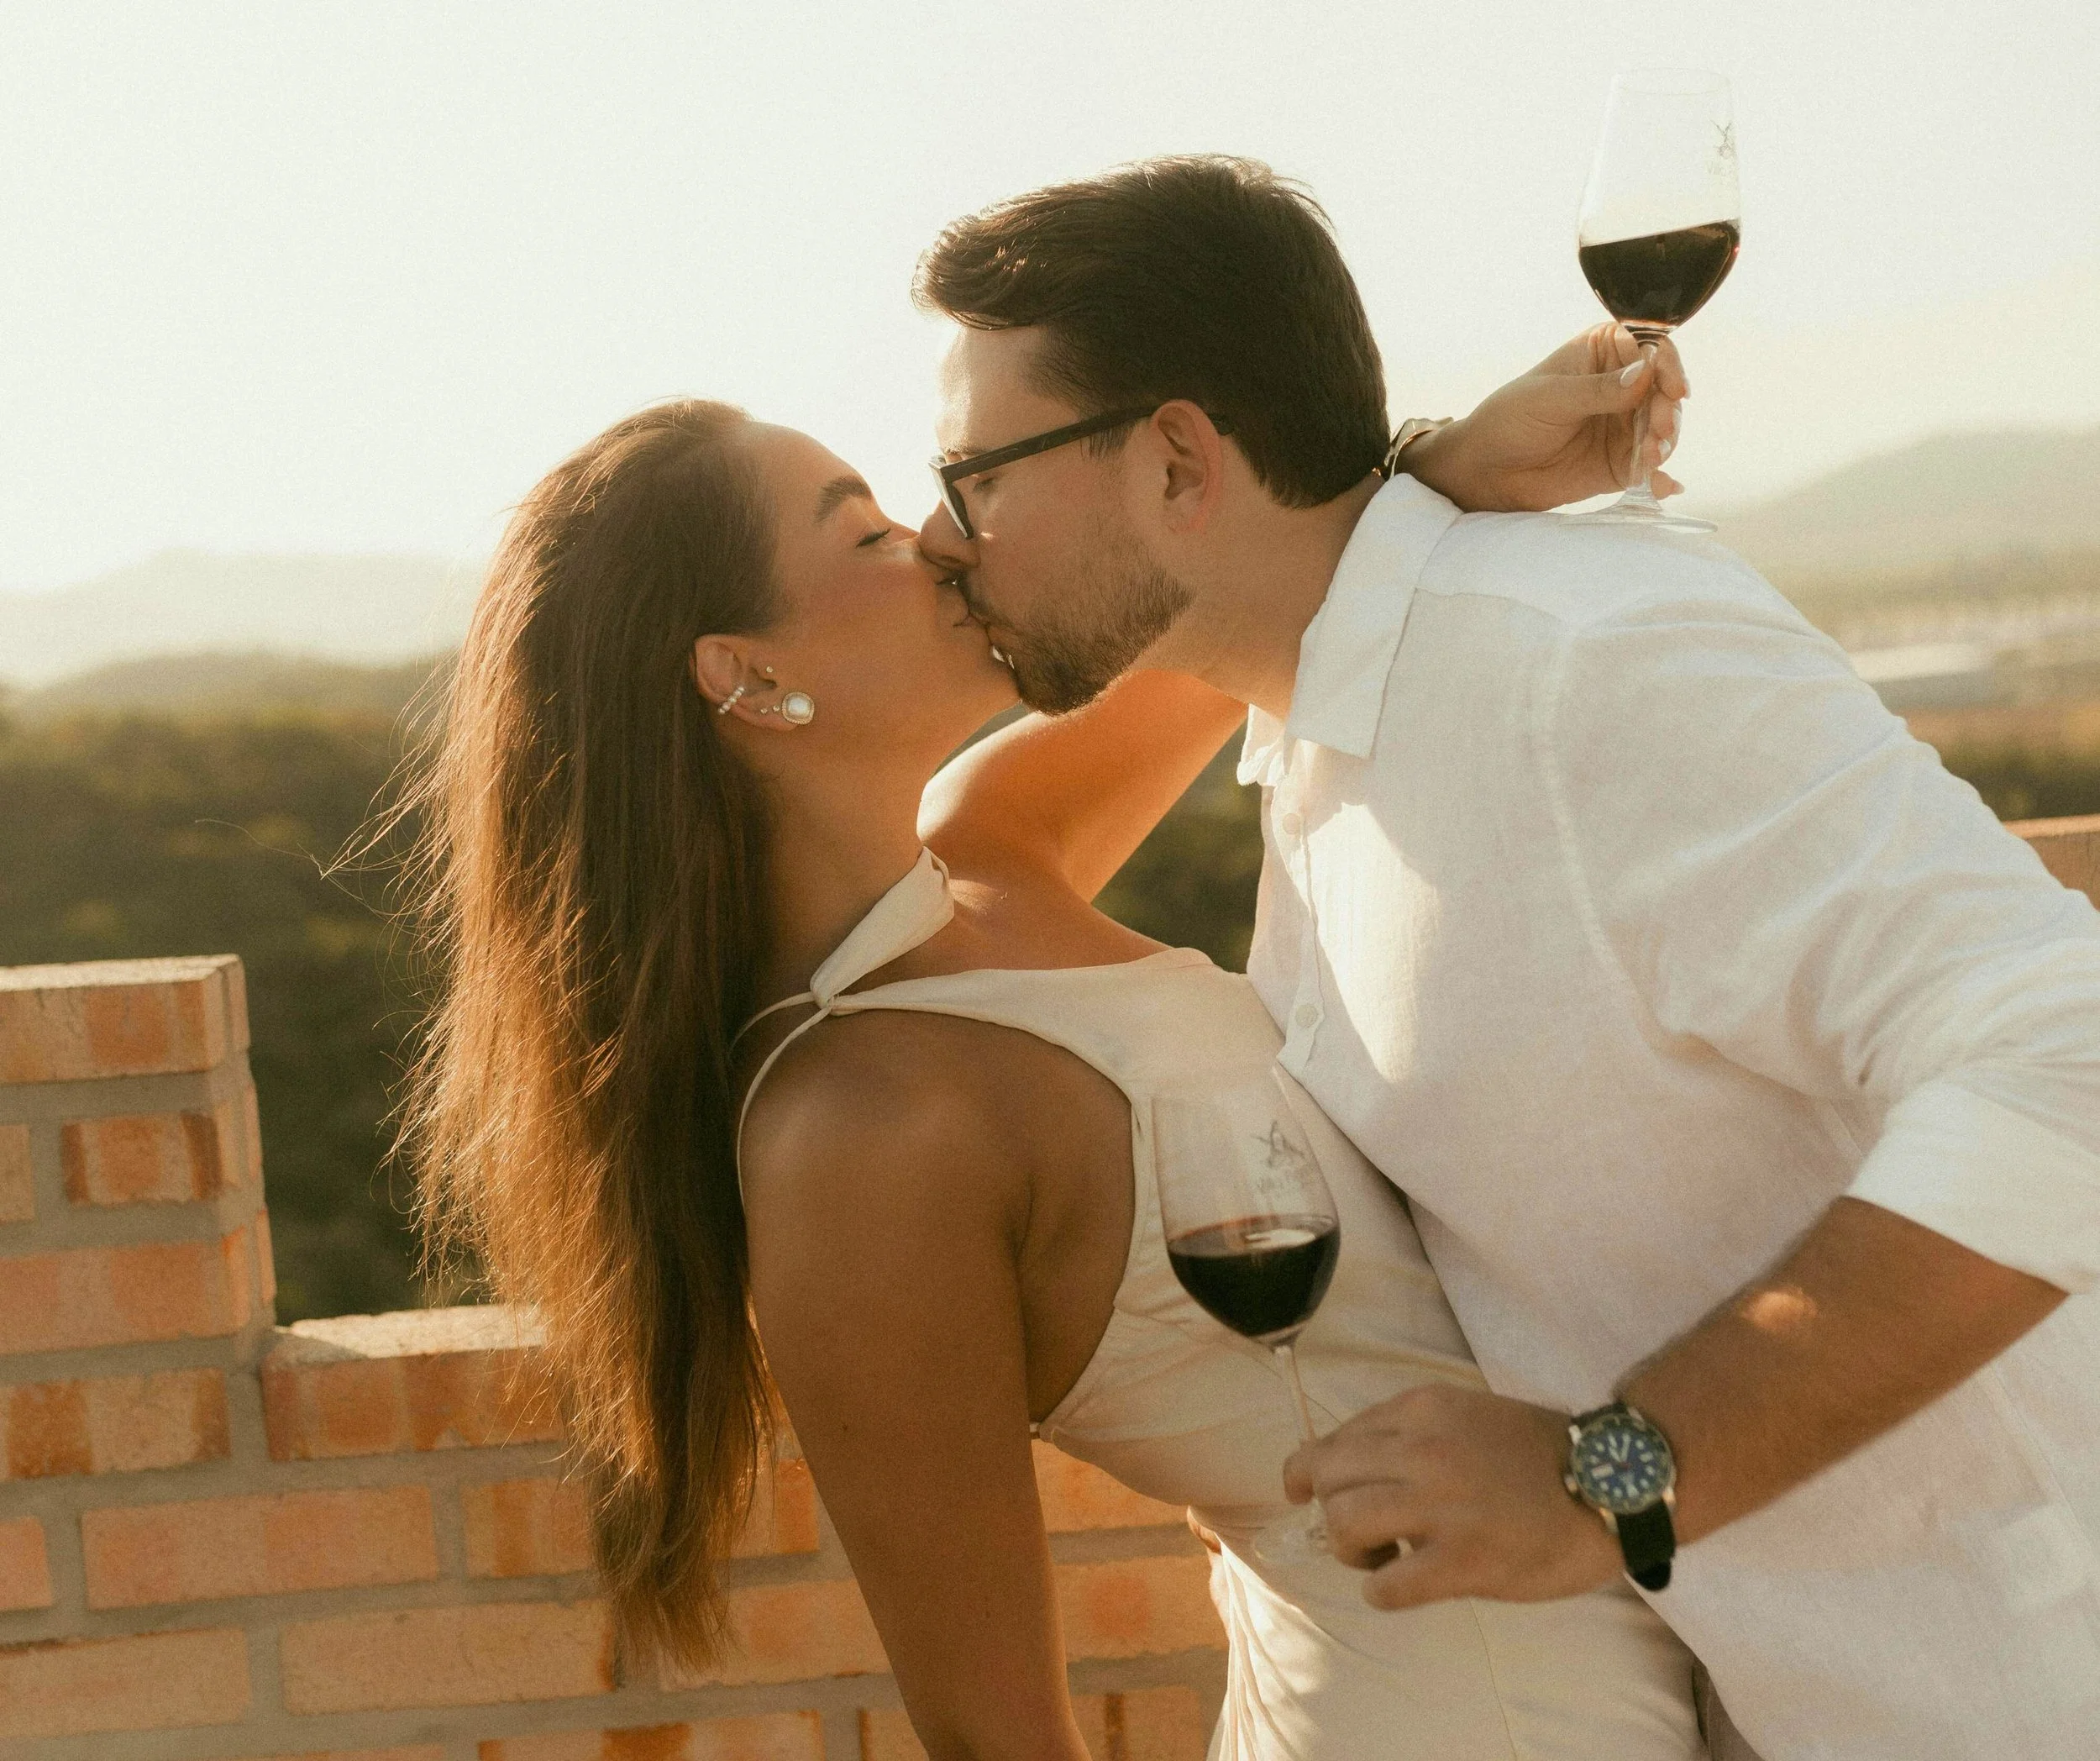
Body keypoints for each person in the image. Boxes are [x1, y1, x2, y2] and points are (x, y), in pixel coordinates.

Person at [913, 156, 2100, 1759]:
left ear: (1181, 459)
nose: (941, 533)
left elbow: (2063, 1056)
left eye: (976, 470)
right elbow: (964, 833)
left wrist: (1611, 1467)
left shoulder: (1575, 652)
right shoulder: (1324, 741)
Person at [396, 313, 1711, 1752]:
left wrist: (1446, 462)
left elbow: (1253, 613)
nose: (945, 545)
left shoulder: (993, 847)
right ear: (746, 678)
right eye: (869, 536)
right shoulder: (854, 1141)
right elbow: (995, 1739)